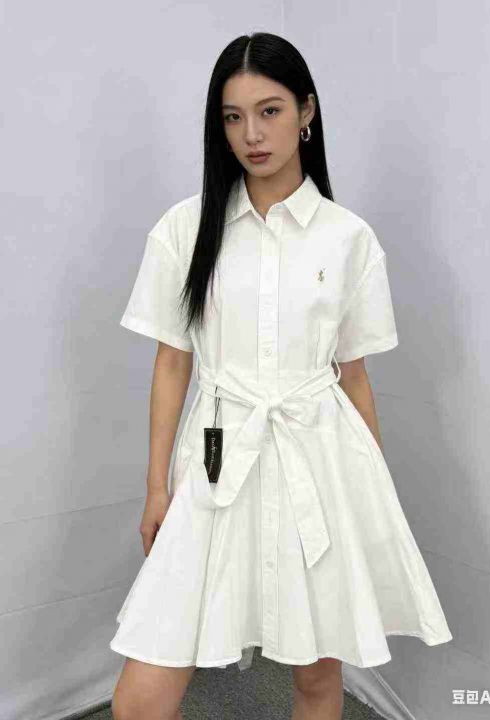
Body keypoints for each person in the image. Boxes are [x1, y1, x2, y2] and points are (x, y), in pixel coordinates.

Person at [110, 31, 452, 720]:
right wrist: (156, 487)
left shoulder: (348, 239)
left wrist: (369, 496)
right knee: (140, 700)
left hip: (318, 462)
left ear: (306, 111)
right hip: (216, 458)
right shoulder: (185, 228)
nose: (252, 135)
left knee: (317, 678)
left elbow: (353, 375)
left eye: (269, 111)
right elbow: (172, 361)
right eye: (233, 117)